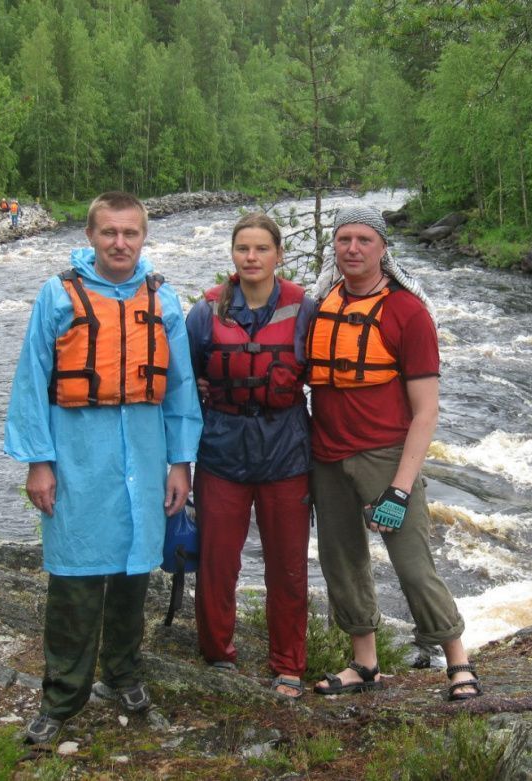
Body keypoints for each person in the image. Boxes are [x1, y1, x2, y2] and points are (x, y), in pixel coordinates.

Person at [4, 191, 202, 743]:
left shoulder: (163, 301)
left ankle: (122, 672)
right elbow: (30, 381)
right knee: (75, 575)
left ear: (144, 237)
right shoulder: (57, 294)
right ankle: (62, 697)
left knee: (134, 568)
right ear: (91, 236)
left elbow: (181, 389)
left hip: (143, 457)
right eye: (109, 232)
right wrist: (38, 463)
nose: (120, 243)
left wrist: (180, 463)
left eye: (130, 233)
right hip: (77, 458)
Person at [306, 204, 481, 701]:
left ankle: (458, 661)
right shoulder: (321, 305)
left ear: (384, 248)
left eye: (364, 240)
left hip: (386, 457)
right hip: (327, 458)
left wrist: (401, 489)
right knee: (341, 562)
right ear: (334, 247)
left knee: (412, 564)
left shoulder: (408, 313)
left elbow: (425, 412)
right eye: (344, 240)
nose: (353, 249)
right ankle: (365, 664)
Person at [185, 212, 315, 699]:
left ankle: (288, 664)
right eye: (243, 249)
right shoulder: (206, 312)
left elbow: (323, 379)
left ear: (279, 255)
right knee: (218, 562)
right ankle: (217, 655)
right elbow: (184, 381)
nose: (252, 258)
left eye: (262, 249)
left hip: (286, 454)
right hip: (222, 451)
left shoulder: (306, 310)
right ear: (232, 255)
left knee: (287, 565)